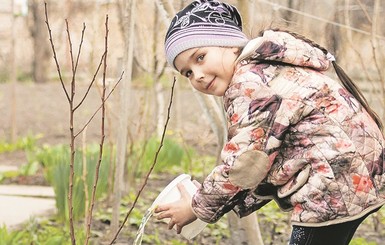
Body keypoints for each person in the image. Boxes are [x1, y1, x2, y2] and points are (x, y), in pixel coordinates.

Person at [155, 0, 385, 244]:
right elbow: (263, 163)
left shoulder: (249, 83)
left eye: (200, 58)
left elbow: (245, 163)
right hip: (358, 171)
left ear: (231, 44)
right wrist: (216, 198)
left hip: (333, 183)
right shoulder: (266, 69)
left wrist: (196, 206)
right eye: (187, 73)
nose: (197, 75)